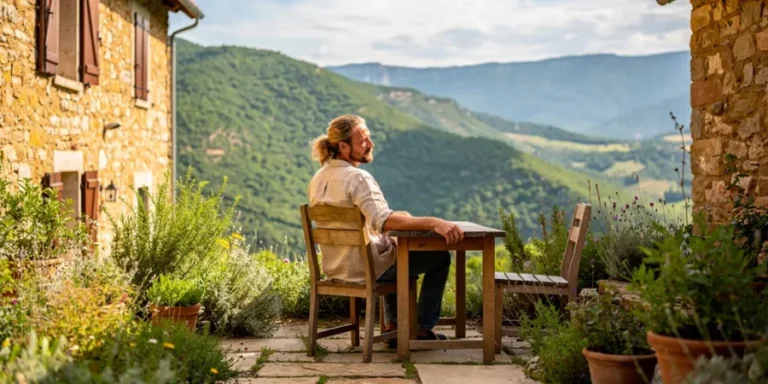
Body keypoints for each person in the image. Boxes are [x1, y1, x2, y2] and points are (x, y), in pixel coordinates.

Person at [308, 114, 465, 342]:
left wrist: (395, 219)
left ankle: (393, 324)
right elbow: (384, 221)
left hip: (337, 266)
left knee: (391, 249)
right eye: (363, 141)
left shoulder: (318, 177)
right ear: (343, 146)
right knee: (438, 258)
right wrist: (433, 222)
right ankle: (420, 326)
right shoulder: (358, 178)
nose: (370, 144)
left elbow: (369, 220)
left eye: (369, 138)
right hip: (366, 268)